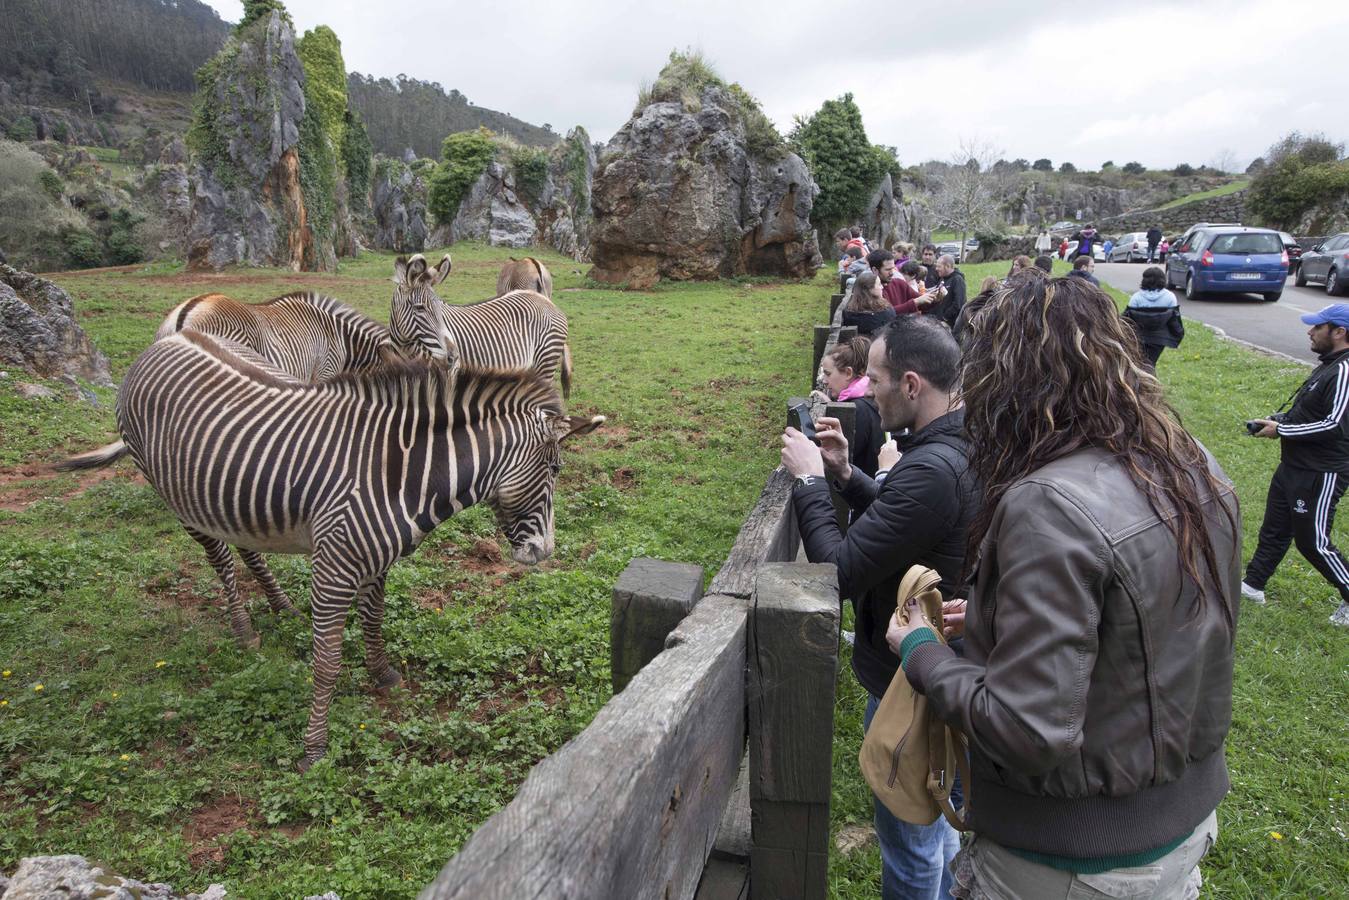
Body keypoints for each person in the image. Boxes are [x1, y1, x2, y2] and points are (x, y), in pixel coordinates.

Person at [888, 273, 1241, 899]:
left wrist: (922, 652)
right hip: (1178, 827)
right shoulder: (1189, 462)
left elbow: (1027, 731)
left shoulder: (1048, 504)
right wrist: (997, 617)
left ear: (1006, 382)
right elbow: (1141, 625)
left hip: (1070, 863)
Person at [781, 315, 977, 900]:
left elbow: (839, 571)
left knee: (910, 838)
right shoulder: (954, 445)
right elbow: (908, 521)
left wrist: (812, 482)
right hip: (941, 669)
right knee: (937, 817)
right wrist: (846, 473)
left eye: (875, 379)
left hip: (909, 685)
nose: (865, 391)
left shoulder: (931, 470)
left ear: (911, 385)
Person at [1242, 303, 1349, 627]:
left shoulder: (1345, 370)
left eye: (1317, 327)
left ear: (1339, 332)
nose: (1310, 331)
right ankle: (1253, 585)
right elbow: (1312, 412)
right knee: (1274, 529)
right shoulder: (1329, 365)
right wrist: (1279, 420)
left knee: (1312, 541)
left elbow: (1335, 424)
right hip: (1294, 465)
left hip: (1321, 471)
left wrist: (1283, 430)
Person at [818, 335, 885, 477]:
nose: (824, 381)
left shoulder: (857, 410)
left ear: (848, 373)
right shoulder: (870, 398)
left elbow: (842, 457)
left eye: (828, 374)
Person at [1123, 266, 1184, 369]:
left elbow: (1127, 320)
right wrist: (1178, 336)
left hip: (1139, 338)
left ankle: (1142, 381)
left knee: (1140, 364)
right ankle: (1150, 381)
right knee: (1151, 364)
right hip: (1159, 340)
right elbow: (1174, 321)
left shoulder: (1136, 298)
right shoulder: (1170, 297)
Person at [842, 270, 898, 336]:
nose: (882, 287)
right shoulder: (886, 312)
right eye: (879, 284)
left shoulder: (849, 311)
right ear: (870, 289)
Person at [927, 254, 967, 331]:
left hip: (950, 325)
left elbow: (958, 304)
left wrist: (945, 318)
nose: (936, 269)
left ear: (948, 266)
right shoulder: (942, 279)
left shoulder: (957, 280)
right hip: (937, 322)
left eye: (939, 266)